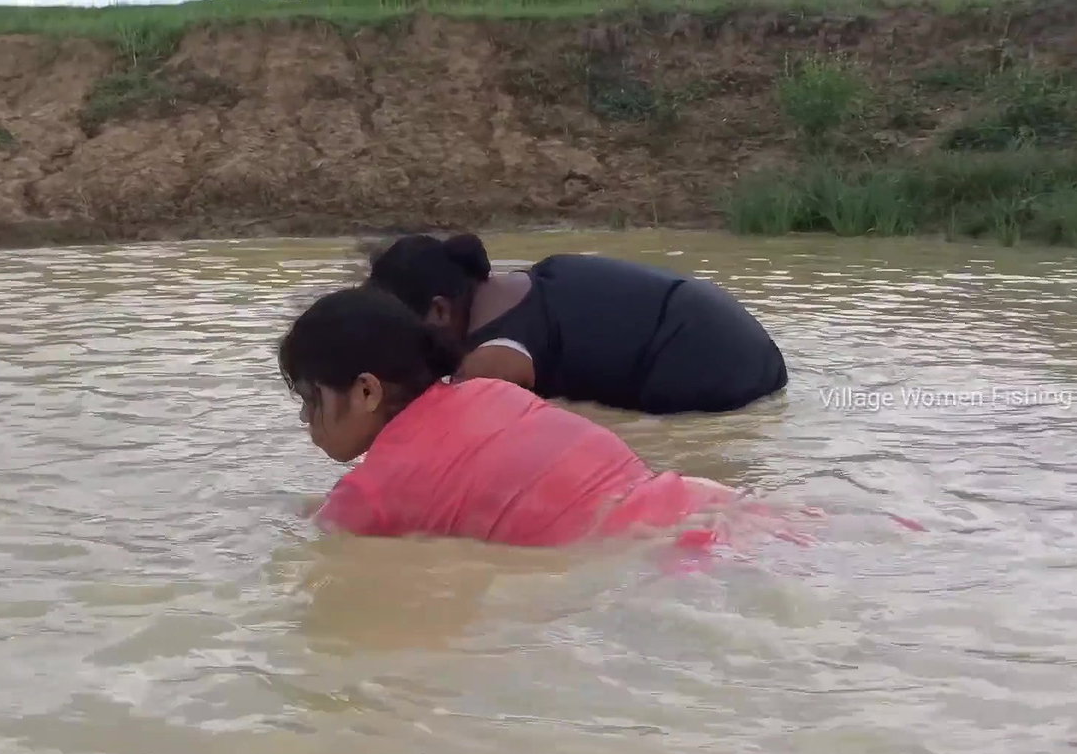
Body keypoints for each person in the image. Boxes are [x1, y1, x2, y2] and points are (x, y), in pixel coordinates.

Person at [278, 285, 745, 547]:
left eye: (309, 399)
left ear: (365, 390)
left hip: (658, 558)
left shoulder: (371, 493)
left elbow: (328, 539)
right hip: (714, 507)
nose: (305, 418)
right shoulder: (489, 391)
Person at [363, 233, 788, 415]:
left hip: (706, 366)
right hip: (737, 338)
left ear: (439, 311)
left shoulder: (489, 358)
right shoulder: (522, 284)